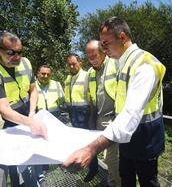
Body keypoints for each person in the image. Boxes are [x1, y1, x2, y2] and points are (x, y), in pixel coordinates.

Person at [64, 16, 166, 187]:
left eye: (105, 43)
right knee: (126, 179)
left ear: (122, 37)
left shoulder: (144, 65)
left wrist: (91, 148)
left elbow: (130, 115)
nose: (103, 48)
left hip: (145, 138)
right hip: (127, 139)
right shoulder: (122, 62)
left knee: (148, 182)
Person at [0, 31, 47, 187]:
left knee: (37, 156)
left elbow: (33, 90)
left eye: (19, 52)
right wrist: (30, 123)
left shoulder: (25, 63)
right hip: (13, 125)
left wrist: (32, 113)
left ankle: (40, 179)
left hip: (30, 117)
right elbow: (4, 109)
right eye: (11, 53)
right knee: (20, 166)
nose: (17, 57)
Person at [86, 40, 121, 187]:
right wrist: (91, 120)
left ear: (103, 52)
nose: (91, 58)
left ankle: (116, 184)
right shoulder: (90, 72)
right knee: (109, 158)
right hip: (100, 119)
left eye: (94, 55)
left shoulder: (115, 63)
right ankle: (112, 181)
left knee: (111, 158)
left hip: (114, 119)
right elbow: (92, 98)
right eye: (88, 56)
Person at [64, 54, 98, 182]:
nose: (72, 66)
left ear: (80, 62)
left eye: (74, 63)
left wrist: (91, 118)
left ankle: (94, 168)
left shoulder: (86, 76)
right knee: (78, 141)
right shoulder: (68, 78)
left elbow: (92, 97)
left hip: (84, 112)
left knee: (88, 143)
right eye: (69, 64)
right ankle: (84, 164)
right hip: (73, 112)